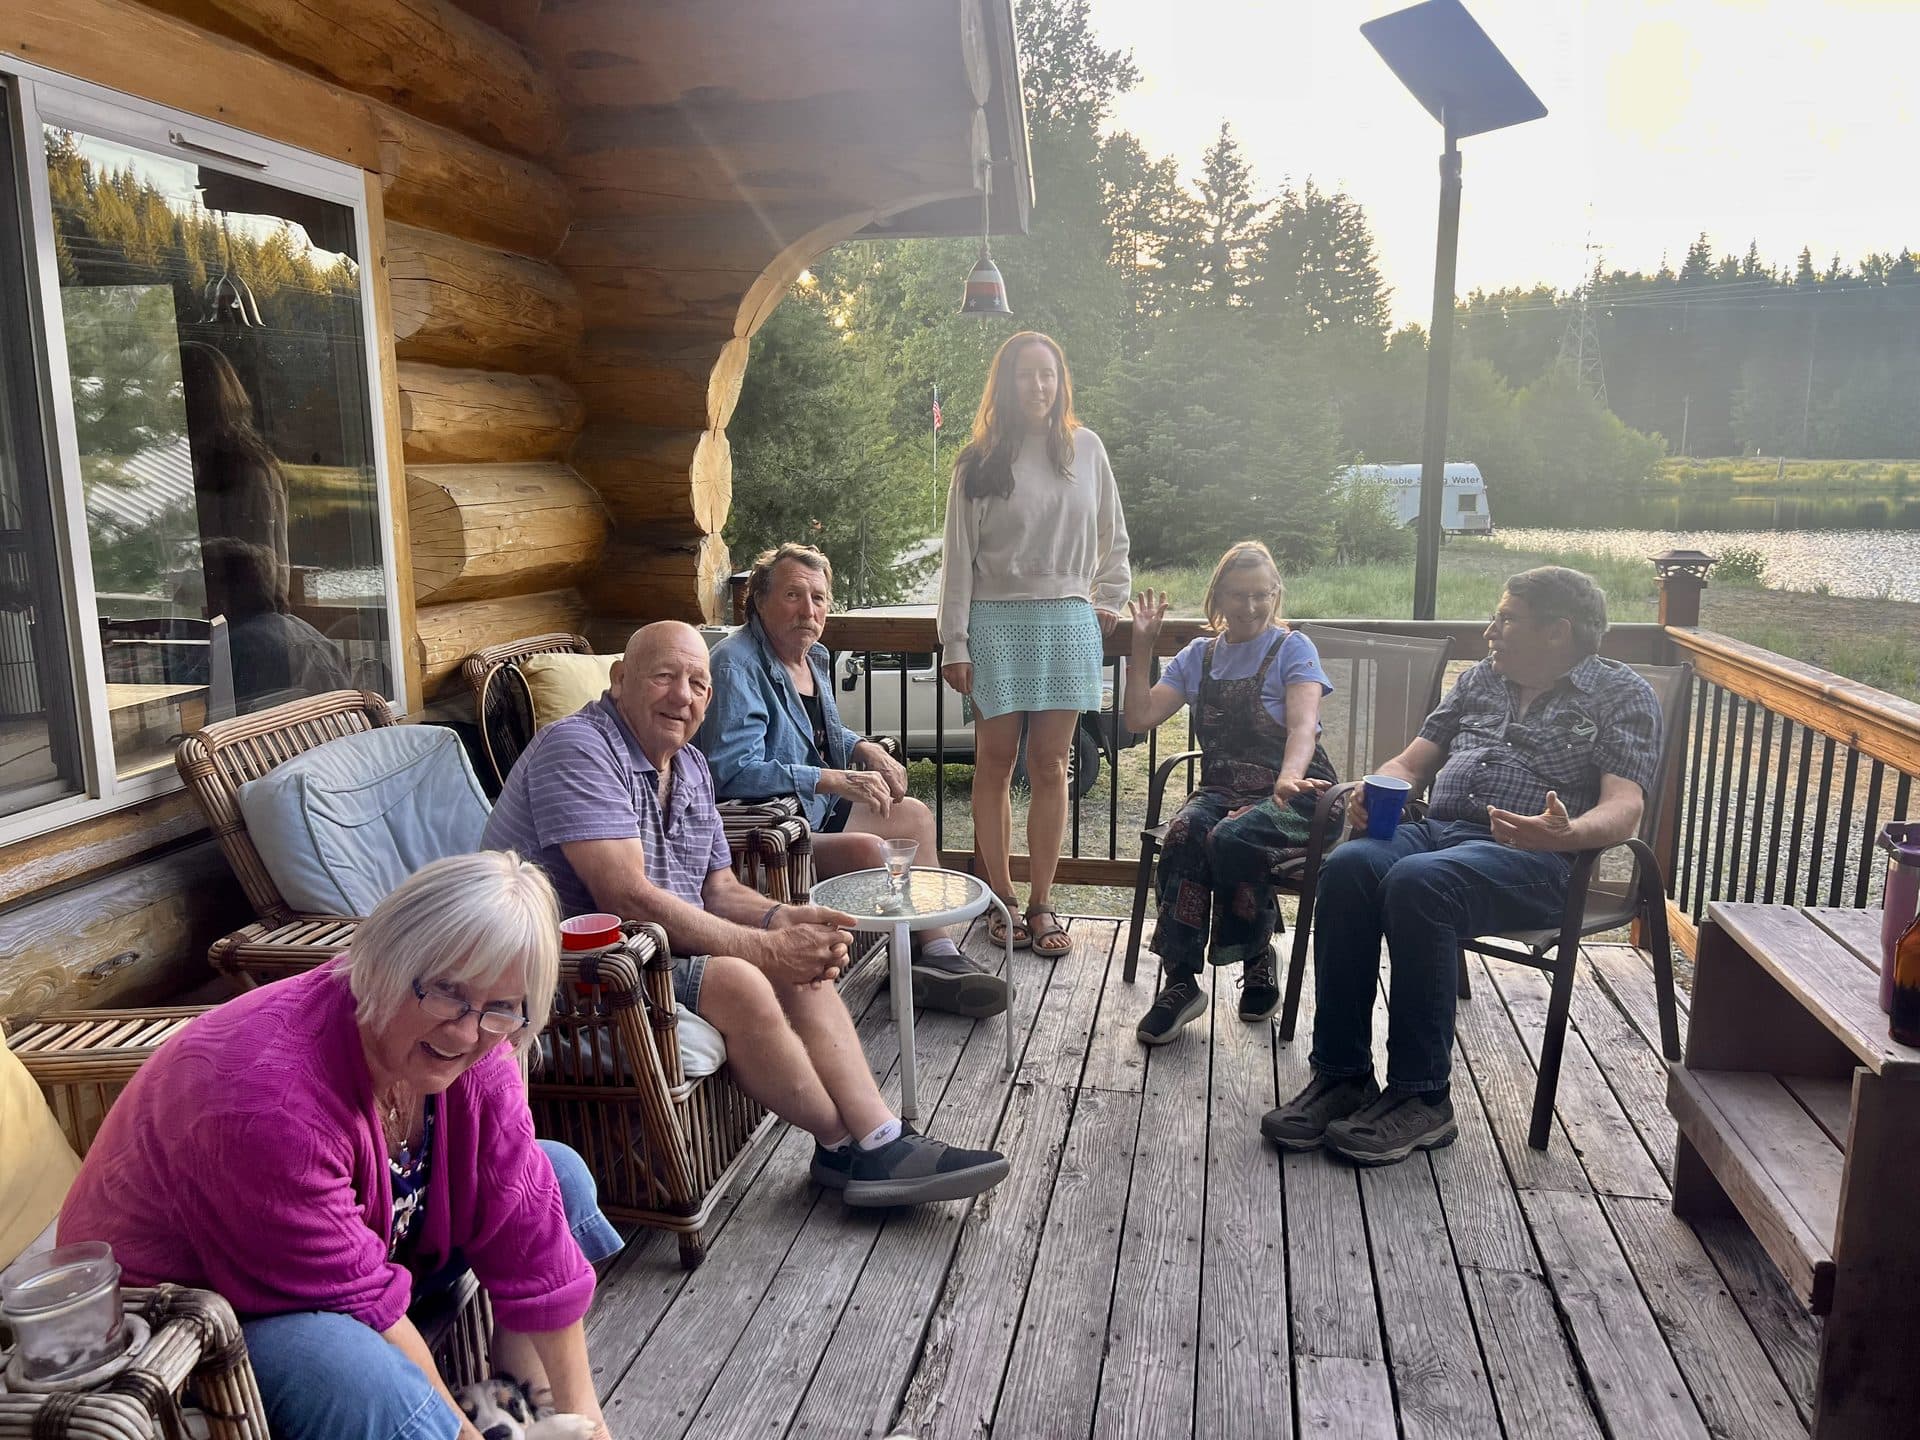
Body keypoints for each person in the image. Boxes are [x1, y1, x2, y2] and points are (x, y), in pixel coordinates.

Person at [58, 851, 620, 1440]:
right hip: (182, 1325)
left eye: (501, 1008)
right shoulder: (266, 1100)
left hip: (356, 1250)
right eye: (445, 991)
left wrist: (589, 1422)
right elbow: (366, 1307)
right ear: (383, 961)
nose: (465, 1032)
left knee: (557, 1176)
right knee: (350, 1369)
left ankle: (522, 1411)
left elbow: (528, 1223)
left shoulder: (482, 1043)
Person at [482, 620, 1009, 1208]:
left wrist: (781, 919)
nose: (683, 695)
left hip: (652, 951)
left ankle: (879, 1137)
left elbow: (721, 889)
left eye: (698, 684)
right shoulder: (578, 748)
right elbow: (624, 896)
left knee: (798, 950)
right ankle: (843, 1146)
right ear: (620, 679)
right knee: (740, 976)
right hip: (570, 971)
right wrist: (761, 948)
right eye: (664, 676)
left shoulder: (688, 767)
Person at [1263, 566, 1662, 1166]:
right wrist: (1376, 785)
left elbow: (1626, 807)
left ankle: (1422, 1098)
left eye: (1506, 619)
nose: (1490, 631)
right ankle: (1342, 1075)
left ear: (1558, 631)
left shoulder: (1621, 695)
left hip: (1539, 859)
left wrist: (1566, 833)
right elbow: (1411, 762)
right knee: (1349, 866)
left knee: (1420, 883)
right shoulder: (1481, 680)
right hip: (1439, 832)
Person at [701, 543, 1009, 1018]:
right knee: (872, 850)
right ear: (759, 601)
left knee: (913, 817)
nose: (809, 610)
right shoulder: (736, 664)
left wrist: (865, 748)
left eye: (819, 598)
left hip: (815, 810)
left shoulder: (813, 657)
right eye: (793, 595)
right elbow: (732, 770)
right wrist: (831, 779)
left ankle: (933, 955)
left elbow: (819, 729)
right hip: (778, 828)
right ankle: (921, 967)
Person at [937, 330, 1131, 958]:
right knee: (994, 764)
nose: (1039, 387)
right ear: (1007, 384)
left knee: (1052, 766)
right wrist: (955, 642)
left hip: (1069, 621)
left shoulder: (1087, 450)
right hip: (994, 622)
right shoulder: (977, 462)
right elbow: (957, 564)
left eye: (1048, 374)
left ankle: (1043, 901)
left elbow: (1115, 539)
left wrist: (1107, 601)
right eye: (1026, 375)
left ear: (1061, 381)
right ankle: (1002, 900)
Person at [1123, 541, 1337, 1045]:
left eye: (1262, 594)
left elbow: (1304, 728)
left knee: (1232, 835)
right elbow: (1138, 717)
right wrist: (1141, 647)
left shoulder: (1293, 647)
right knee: (1184, 831)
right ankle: (1180, 982)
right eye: (1239, 595)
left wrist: (1287, 777)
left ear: (1276, 594)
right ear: (1217, 596)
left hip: (1300, 794)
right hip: (1222, 790)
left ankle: (1257, 954)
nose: (1251, 607)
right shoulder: (1200, 655)